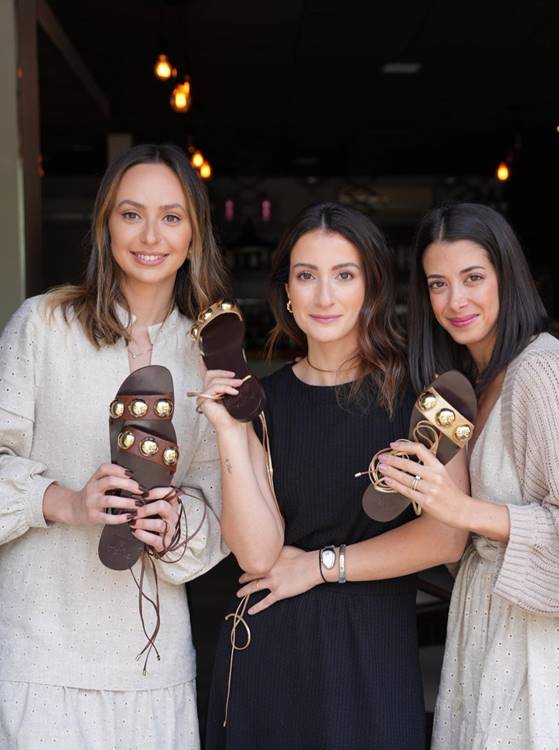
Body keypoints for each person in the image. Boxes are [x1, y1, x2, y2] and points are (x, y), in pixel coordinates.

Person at [199, 202, 469, 750]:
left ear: (371, 287)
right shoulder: (261, 403)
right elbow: (256, 555)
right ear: (287, 293)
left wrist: (321, 568)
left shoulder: (424, 394)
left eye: (344, 276)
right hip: (268, 659)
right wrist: (230, 432)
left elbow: (448, 536)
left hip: (370, 664)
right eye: (307, 276)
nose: (324, 297)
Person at [0, 144, 230, 749]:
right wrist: (65, 502)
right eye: (131, 214)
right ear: (105, 224)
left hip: (153, 670)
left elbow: (221, 503)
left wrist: (177, 523)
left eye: (172, 216)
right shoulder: (43, 326)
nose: (150, 234)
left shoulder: (208, 353)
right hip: (43, 655)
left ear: (194, 233)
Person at [380, 202, 559, 749]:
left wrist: (461, 509)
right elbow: (461, 542)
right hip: (484, 625)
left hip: (544, 651)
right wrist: (418, 485)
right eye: (438, 284)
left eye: (473, 278)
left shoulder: (546, 372)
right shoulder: (470, 384)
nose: (456, 301)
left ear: (508, 275)